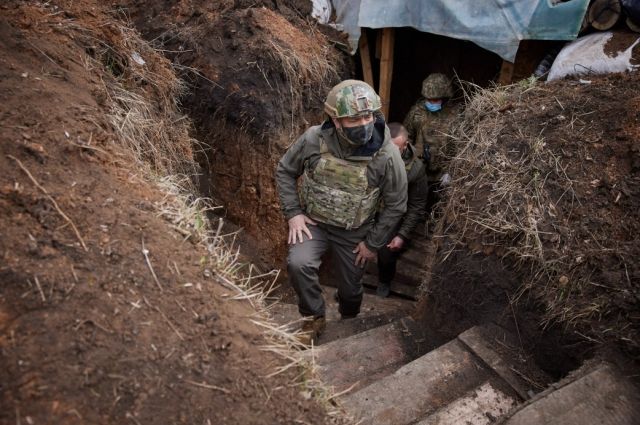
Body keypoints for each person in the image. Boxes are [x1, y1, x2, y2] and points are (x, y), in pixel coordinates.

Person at [275, 80, 408, 345]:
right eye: (353, 119)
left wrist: (372, 244)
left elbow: (396, 204)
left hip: (354, 234)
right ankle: (314, 317)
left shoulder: (387, 154)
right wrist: (293, 213)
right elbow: (286, 170)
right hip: (314, 224)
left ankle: (349, 318)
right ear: (335, 120)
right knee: (298, 264)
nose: (363, 124)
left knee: (350, 290)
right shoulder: (314, 139)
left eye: (368, 115)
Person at [376, 123, 429, 297]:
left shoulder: (416, 169)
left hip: (393, 213)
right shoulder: (373, 152)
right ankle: (349, 288)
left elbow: (417, 206)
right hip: (370, 207)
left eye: (395, 149)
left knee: (386, 252)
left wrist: (402, 235)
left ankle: (384, 281)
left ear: (405, 146)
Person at [403, 73, 460, 209]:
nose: (430, 102)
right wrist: (407, 161)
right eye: (428, 99)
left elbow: (460, 145)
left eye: (435, 100)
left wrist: (451, 171)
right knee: (414, 201)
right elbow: (406, 136)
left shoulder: (456, 116)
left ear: (445, 98)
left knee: (437, 205)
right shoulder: (417, 111)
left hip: (442, 170)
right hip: (419, 166)